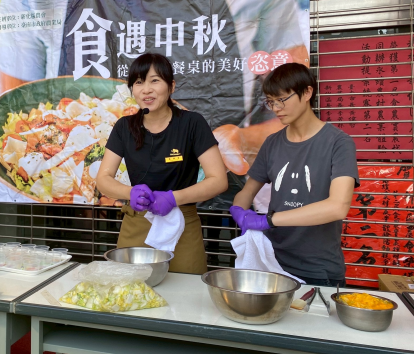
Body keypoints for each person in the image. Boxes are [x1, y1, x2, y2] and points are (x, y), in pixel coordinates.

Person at [96, 52, 229, 275]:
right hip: (137, 223)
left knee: (185, 289)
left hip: (183, 224)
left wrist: (173, 198)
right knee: (130, 288)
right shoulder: (124, 127)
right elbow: (103, 179)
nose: (146, 89)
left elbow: (218, 180)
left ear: (171, 86)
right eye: (139, 82)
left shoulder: (192, 123)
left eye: (155, 80)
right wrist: (130, 193)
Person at [230, 63, 360, 287]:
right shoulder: (272, 143)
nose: (276, 108)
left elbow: (337, 206)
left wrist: (267, 220)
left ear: (307, 92)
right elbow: (247, 191)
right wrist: (239, 211)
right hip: (273, 263)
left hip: (318, 268)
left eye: (282, 99)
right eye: (271, 101)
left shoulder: (338, 143)